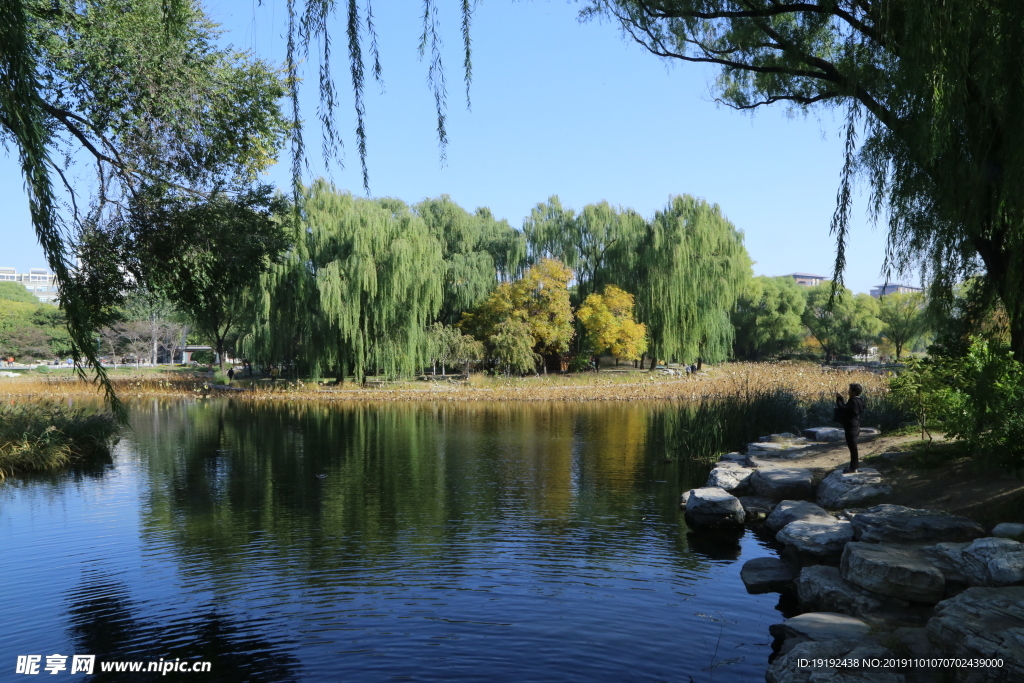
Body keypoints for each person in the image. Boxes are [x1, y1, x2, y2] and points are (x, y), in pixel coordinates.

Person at [836, 383, 866, 473]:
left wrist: (839, 399)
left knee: (853, 448)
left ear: (854, 392)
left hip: (851, 427)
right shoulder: (859, 400)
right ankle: (854, 467)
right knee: (853, 447)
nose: (848, 391)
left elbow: (843, 408)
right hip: (856, 425)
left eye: (849, 390)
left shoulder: (852, 401)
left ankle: (853, 467)